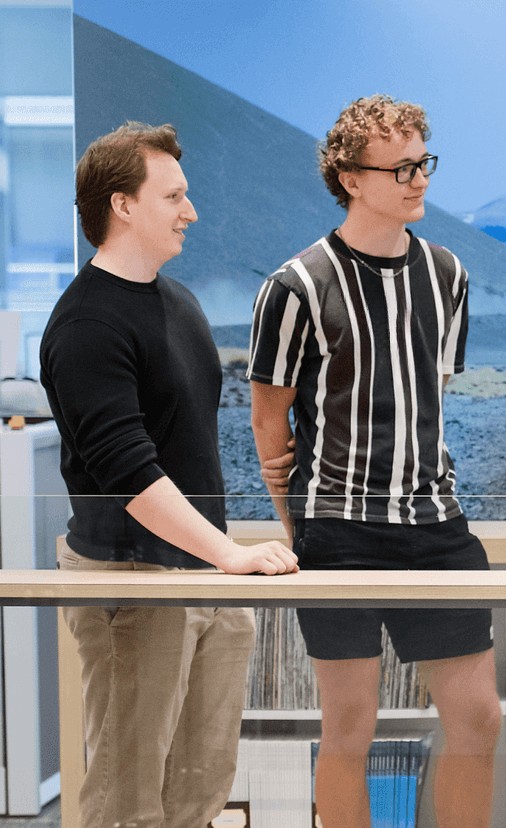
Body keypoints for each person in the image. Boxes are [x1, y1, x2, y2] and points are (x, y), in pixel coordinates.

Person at [247, 95, 500, 828]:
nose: (419, 180)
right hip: (339, 532)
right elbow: (270, 420)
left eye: (424, 163)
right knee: (350, 730)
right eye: (401, 168)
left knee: (479, 718)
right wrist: (298, 528)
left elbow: (431, 391)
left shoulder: (447, 273)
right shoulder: (295, 285)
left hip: (436, 524)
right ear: (350, 178)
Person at [41, 122, 298, 827]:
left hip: (204, 577)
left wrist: (220, 564)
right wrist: (229, 555)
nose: (191, 211)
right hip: (134, 582)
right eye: (175, 195)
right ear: (123, 205)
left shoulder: (179, 303)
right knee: (128, 799)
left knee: (199, 790)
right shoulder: (84, 325)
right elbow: (128, 470)